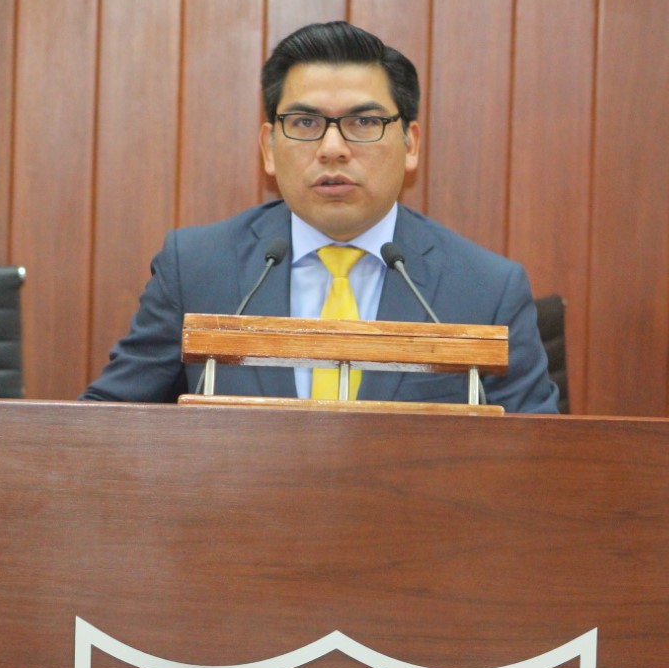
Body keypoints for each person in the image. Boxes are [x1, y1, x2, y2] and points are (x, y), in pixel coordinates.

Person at [81, 21, 559, 413]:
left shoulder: (486, 289)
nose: (333, 148)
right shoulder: (197, 268)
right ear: (269, 147)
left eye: (364, 122)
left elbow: (537, 460)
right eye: (305, 123)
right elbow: (105, 424)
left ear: (410, 144)